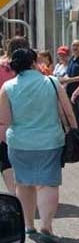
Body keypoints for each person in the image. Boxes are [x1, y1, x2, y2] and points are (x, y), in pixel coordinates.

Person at [0, 48, 75, 243]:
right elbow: (66, 110)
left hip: (19, 142)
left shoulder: (7, 87)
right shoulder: (51, 82)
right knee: (47, 183)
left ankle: (28, 225)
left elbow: (4, 120)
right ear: (34, 62)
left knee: (23, 183)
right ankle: (47, 226)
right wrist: (74, 131)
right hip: (50, 141)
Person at [0, 36, 32, 195]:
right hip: (28, 116)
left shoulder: (1, 65)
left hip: (3, 116)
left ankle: (15, 194)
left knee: (5, 156)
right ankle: (28, 191)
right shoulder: (32, 67)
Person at [60, 40, 79, 126]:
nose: (75, 47)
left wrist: (69, 80)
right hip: (70, 94)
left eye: (77, 45)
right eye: (73, 45)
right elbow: (68, 73)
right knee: (74, 118)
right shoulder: (72, 59)